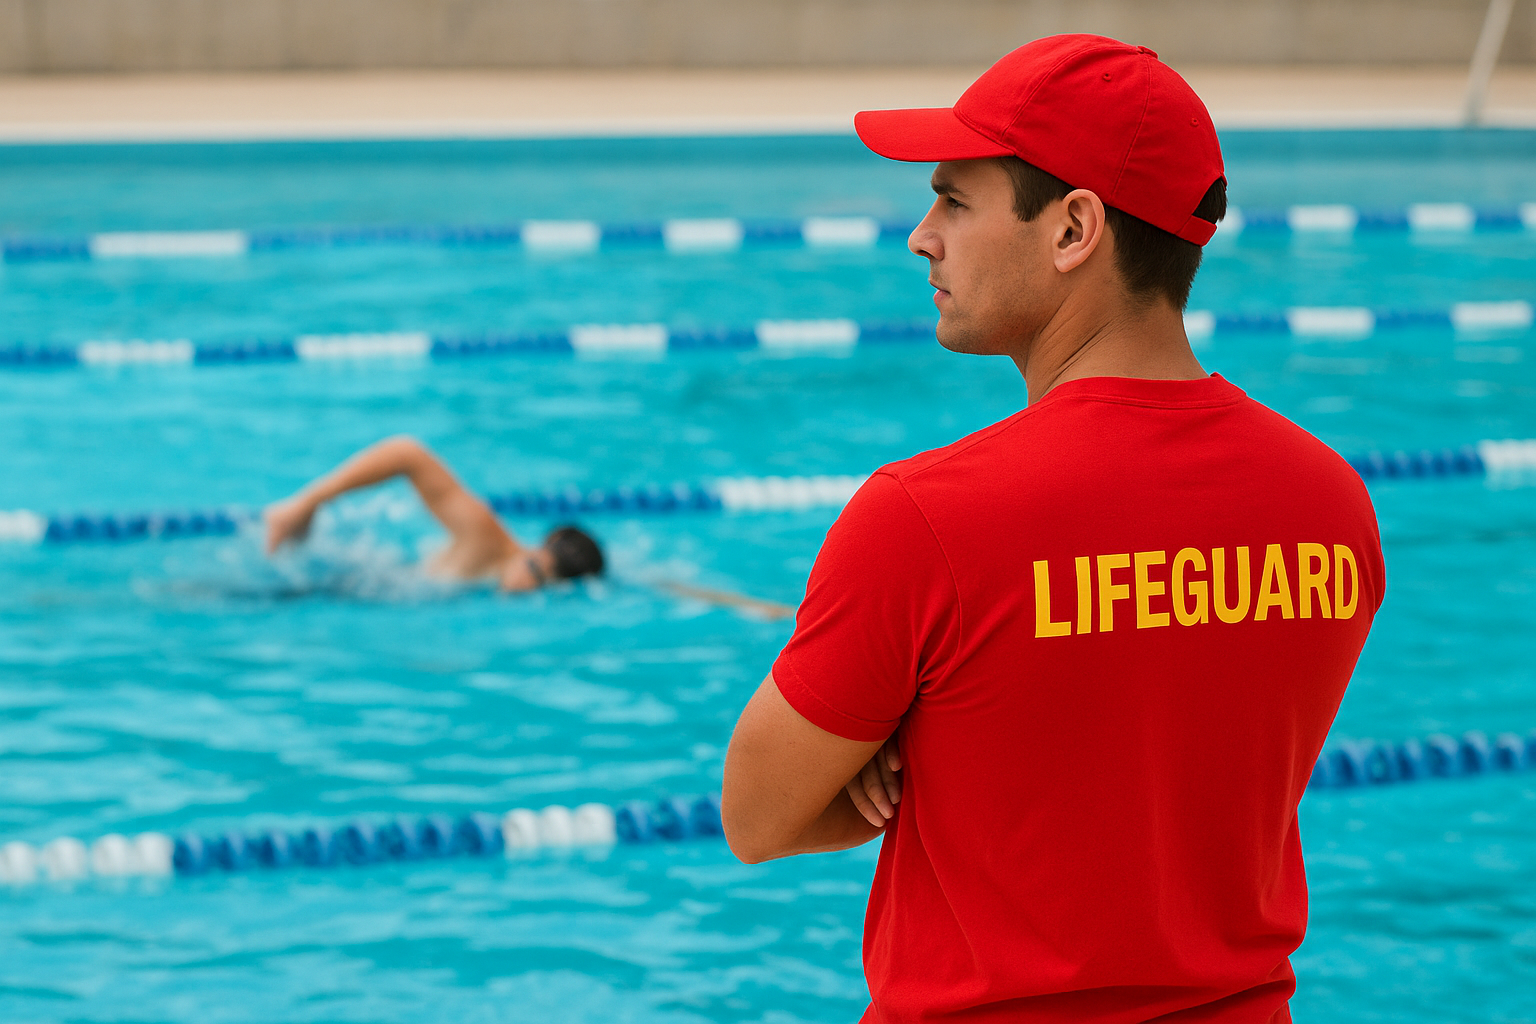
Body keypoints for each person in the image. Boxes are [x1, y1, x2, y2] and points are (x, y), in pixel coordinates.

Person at [722, 35, 1384, 1024]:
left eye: (952, 199)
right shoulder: (1330, 507)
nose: (921, 236)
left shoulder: (925, 519)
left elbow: (757, 813)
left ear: (1074, 227)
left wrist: (888, 745)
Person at [264, 435, 603, 590]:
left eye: (540, 584)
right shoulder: (486, 538)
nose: (523, 585)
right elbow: (406, 453)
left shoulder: (496, 582)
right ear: (536, 546)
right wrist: (306, 504)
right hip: (337, 584)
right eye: (532, 568)